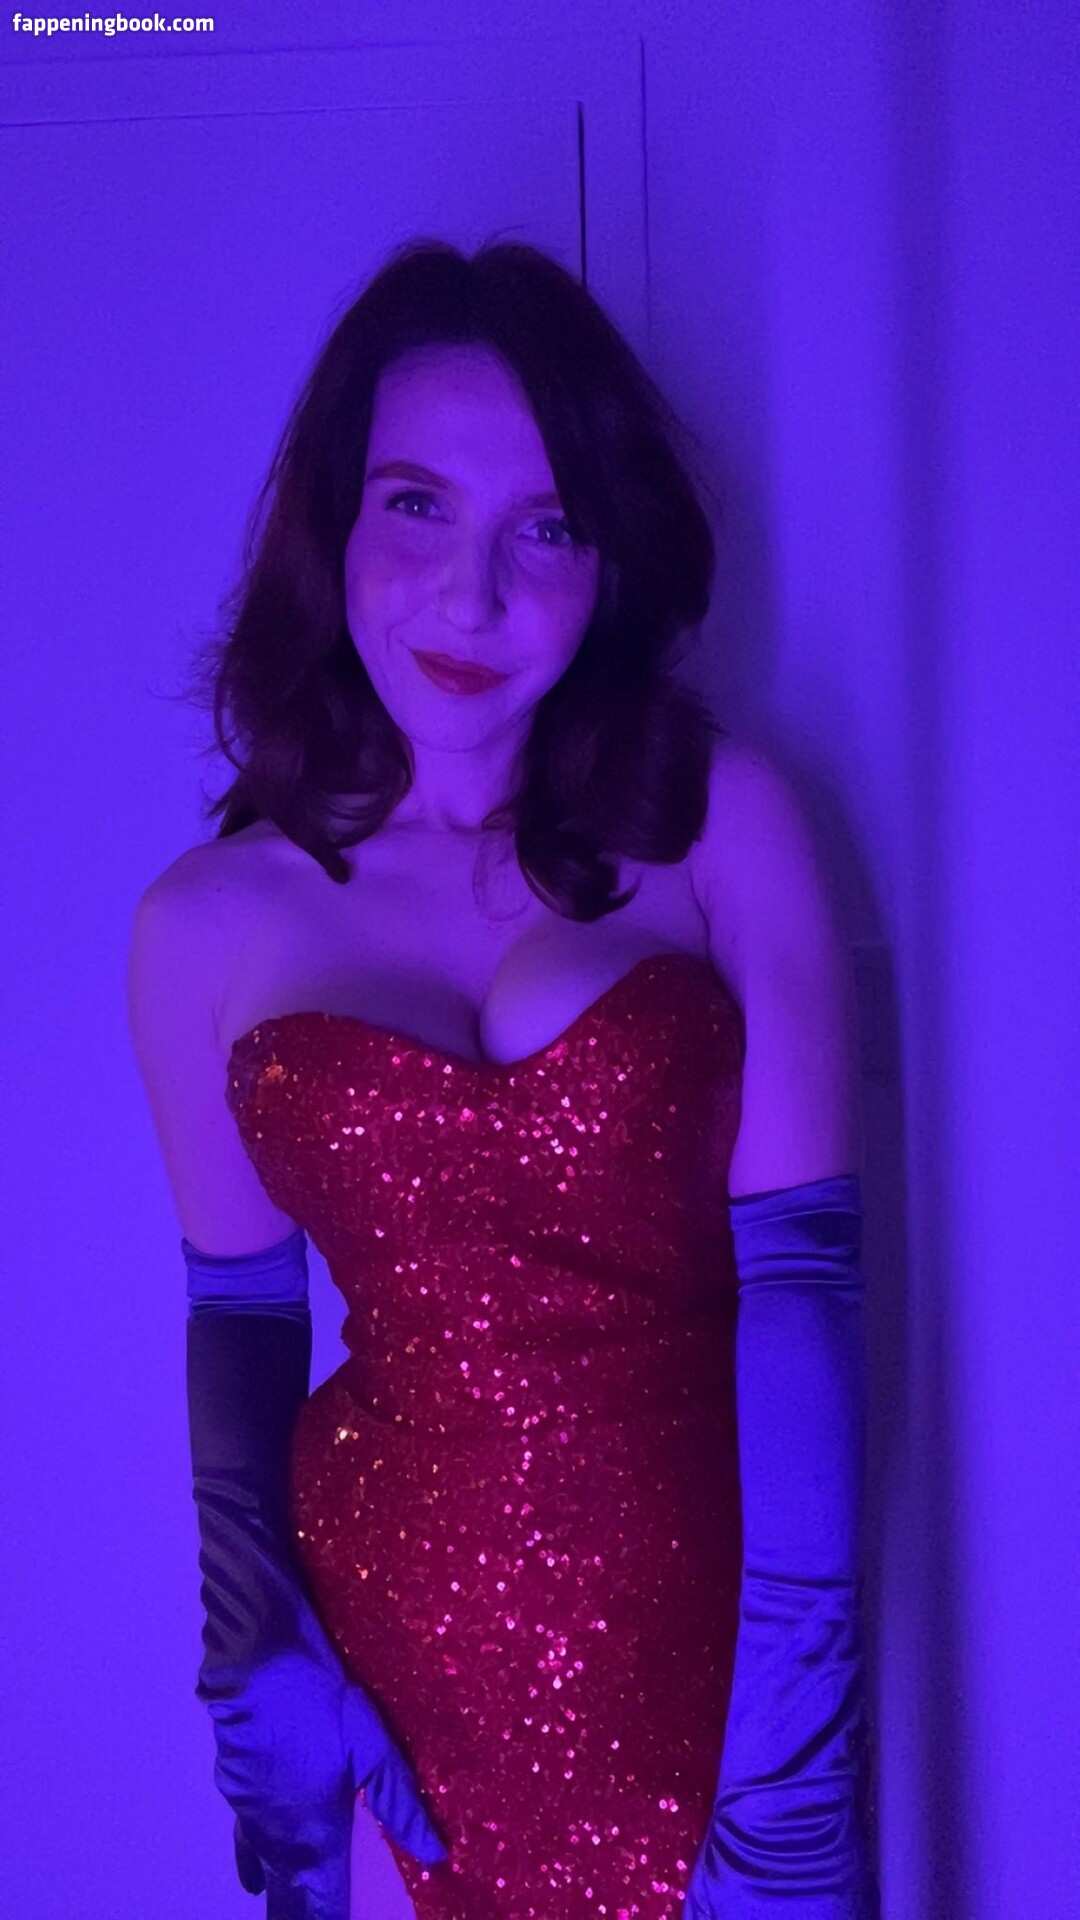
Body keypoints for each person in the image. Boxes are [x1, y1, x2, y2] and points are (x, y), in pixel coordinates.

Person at [127, 238, 879, 1918]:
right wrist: (253, 1646)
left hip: (722, 1666)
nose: (470, 598)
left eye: (544, 528)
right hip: (392, 1686)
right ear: (335, 524)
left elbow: (807, 1287)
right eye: (417, 507)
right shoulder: (201, 926)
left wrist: (795, 1778)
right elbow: (241, 1314)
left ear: (608, 562)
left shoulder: (722, 821)